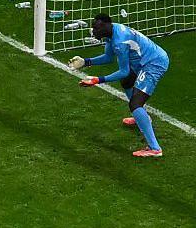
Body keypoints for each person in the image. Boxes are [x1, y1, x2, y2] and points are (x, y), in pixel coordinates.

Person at [69, 14, 170, 158]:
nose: (94, 31)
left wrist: (98, 80)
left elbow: (124, 71)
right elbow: (108, 58)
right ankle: (140, 117)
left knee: (135, 104)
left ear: (105, 26)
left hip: (153, 63)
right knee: (127, 82)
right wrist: (86, 62)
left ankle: (155, 148)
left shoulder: (120, 41)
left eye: (96, 28)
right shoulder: (113, 32)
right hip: (141, 60)